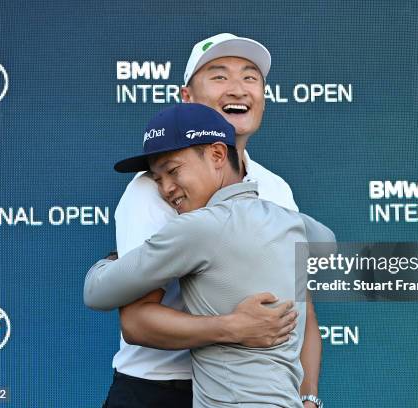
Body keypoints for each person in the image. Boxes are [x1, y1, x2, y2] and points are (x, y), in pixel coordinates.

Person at [84, 33, 324, 408]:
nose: (237, 88)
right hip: (158, 390)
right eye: (218, 75)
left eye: (250, 77)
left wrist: (308, 397)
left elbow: (302, 308)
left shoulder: (276, 189)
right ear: (187, 97)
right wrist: (233, 328)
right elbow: (136, 321)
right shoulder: (151, 191)